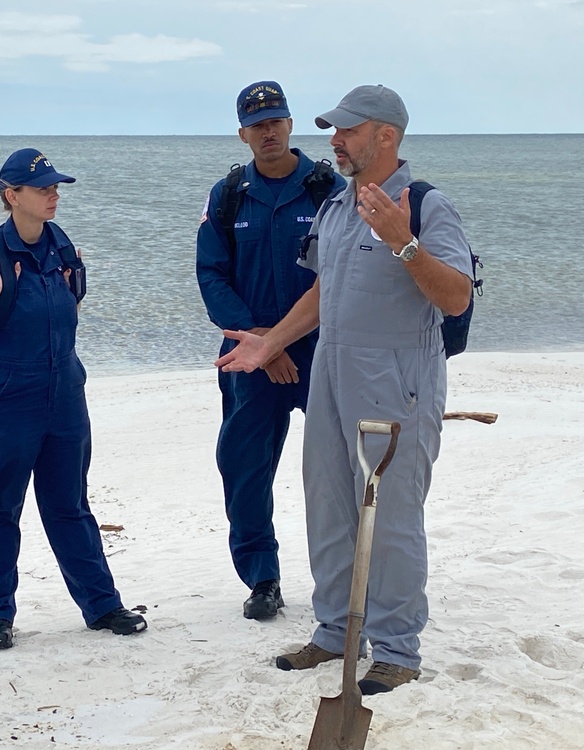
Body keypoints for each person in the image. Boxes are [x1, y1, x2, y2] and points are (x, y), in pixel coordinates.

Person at [216, 85, 474, 694]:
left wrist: (402, 241)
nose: (334, 140)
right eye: (333, 130)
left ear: (385, 135)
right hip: (329, 372)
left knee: (390, 513)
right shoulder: (337, 203)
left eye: (348, 130)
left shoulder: (426, 203)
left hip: (396, 378)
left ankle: (397, 647)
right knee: (328, 501)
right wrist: (270, 342)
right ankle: (334, 632)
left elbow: (456, 295)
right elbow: (322, 293)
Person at [0, 148, 147, 652]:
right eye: (42, 188)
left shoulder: (61, 244)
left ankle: (101, 605)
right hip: (7, 393)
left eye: (56, 187)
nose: (54, 194)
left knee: (70, 504)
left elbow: (70, 302)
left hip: (64, 392)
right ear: (12, 196)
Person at [196, 81, 345, 621]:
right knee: (243, 468)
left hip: (321, 352)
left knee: (339, 467)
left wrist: (280, 341)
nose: (268, 131)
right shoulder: (227, 194)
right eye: (256, 125)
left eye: (276, 121)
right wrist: (260, 341)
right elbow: (211, 275)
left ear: (290, 125)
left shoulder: (327, 188)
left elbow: (341, 274)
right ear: (242, 134)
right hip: (248, 355)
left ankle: (346, 578)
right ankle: (262, 579)